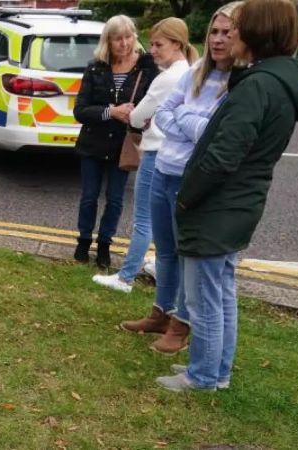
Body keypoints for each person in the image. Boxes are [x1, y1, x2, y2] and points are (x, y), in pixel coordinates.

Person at [157, 0, 298, 392]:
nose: (232, 36)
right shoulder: (273, 80)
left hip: (220, 207)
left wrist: (188, 197)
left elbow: (223, 155)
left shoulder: (257, 85)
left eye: (239, 29)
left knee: (205, 298)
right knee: (221, 290)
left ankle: (204, 376)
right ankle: (217, 371)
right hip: (240, 203)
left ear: (258, 34)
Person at [118, 2, 240, 355]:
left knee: (188, 256)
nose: (217, 40)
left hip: (190, 177)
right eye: (213, 32)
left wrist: (183, 119)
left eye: (226, 33)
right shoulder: (196, 71)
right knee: (167, 251)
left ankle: (180, 325)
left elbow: (208, 132)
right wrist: (187, 121)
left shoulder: (238, 80)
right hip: (163, 169)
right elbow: (164, 117)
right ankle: (161, 311)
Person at [92, 18, 198, 293]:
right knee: (165, 220)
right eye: (151, 43)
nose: (152, 50)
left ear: (177, 44)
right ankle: (160, 269)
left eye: (158, 44)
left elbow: (138, 117)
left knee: (144, 219)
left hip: (155, 152)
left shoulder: (168, 78)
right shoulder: (189, 71)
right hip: (175, 153)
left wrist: (139, 117)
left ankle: (125, 277)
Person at [73, 15, 159, 269]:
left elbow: (155, 106)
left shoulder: (147, 69)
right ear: (108, 42)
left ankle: (104, 245)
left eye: (128, 36)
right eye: (117, 38)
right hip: (93, 143)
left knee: (115, 199)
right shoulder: (96, 67)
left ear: (134, 37)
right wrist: (112, 111)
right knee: (89, 196)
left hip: (124, 146)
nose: (124, 43)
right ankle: (83, 241)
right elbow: (80, 110)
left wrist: (139, 118)